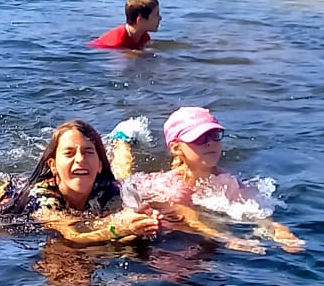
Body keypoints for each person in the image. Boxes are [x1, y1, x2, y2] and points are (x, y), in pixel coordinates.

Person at [119, 106, 304, 253]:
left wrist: (277, 229)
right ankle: (122, 140)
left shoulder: (227, 181)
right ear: (176, 148)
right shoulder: (170, 188)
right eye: (198, 138)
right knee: (121, 177)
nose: (209, 143)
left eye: (214, 135)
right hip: (143, 188)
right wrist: (228, 239)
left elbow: (254, 210)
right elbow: (191, 220)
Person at [0, 119, 161, 246]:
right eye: (69, 153)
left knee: (122, 177)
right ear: (53, 166)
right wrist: (122, 227)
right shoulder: (43, 199)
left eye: (88, 152)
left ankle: (123, 141)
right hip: (15, 194)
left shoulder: (107, 189)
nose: (80, 159)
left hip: (97, 180)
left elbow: (121, 217)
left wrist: (142, 219)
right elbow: (73, 233)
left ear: (99, 165)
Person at [89, 0, 161, 51]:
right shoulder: (118, 41)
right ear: (140, 20)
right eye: (156, 14)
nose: (160, 18)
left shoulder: (144, 36)